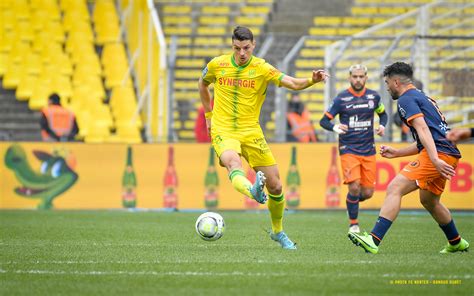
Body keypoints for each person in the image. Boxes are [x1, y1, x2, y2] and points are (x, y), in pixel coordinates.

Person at [198, 26, 328, 249]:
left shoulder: (261, 68)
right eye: (237, 48)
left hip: (251, 130)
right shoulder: (217, 65)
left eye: (246, 48)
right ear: (232, 46)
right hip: (224, 128)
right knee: (232, 161)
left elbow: (293, 84)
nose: (241, 53)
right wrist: (209, 116)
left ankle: (278, 232)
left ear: (253, 45)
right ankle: (252, 190)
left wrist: (312, 80)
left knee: (276, 186)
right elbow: (202, 83)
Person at [348, 62, 469, 254]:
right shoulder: (422, 97)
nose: (387, 87)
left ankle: (373, 239)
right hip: (446, 151)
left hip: (439, 153)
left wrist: (436, 159)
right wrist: (397, 153)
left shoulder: (405, 99)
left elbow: (422, 129)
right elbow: (426, 136)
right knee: (429, 201)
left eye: (387, 83)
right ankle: (456, 242)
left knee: (395, 188)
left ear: (396, 82)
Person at [319, 64, 387, 233]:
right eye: (355, 76)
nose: (358, 79)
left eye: (361, 76)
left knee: (368, 192)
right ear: (349, 78)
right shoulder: (341, 99)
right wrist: (335, 128)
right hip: (348, 148)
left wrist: (383, 125)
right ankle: (353, 224)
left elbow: (383, 114)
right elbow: (324, 121)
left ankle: (352, 202)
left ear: (366, 77)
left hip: (369, 149)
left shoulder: (374, 97)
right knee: (354, 186)